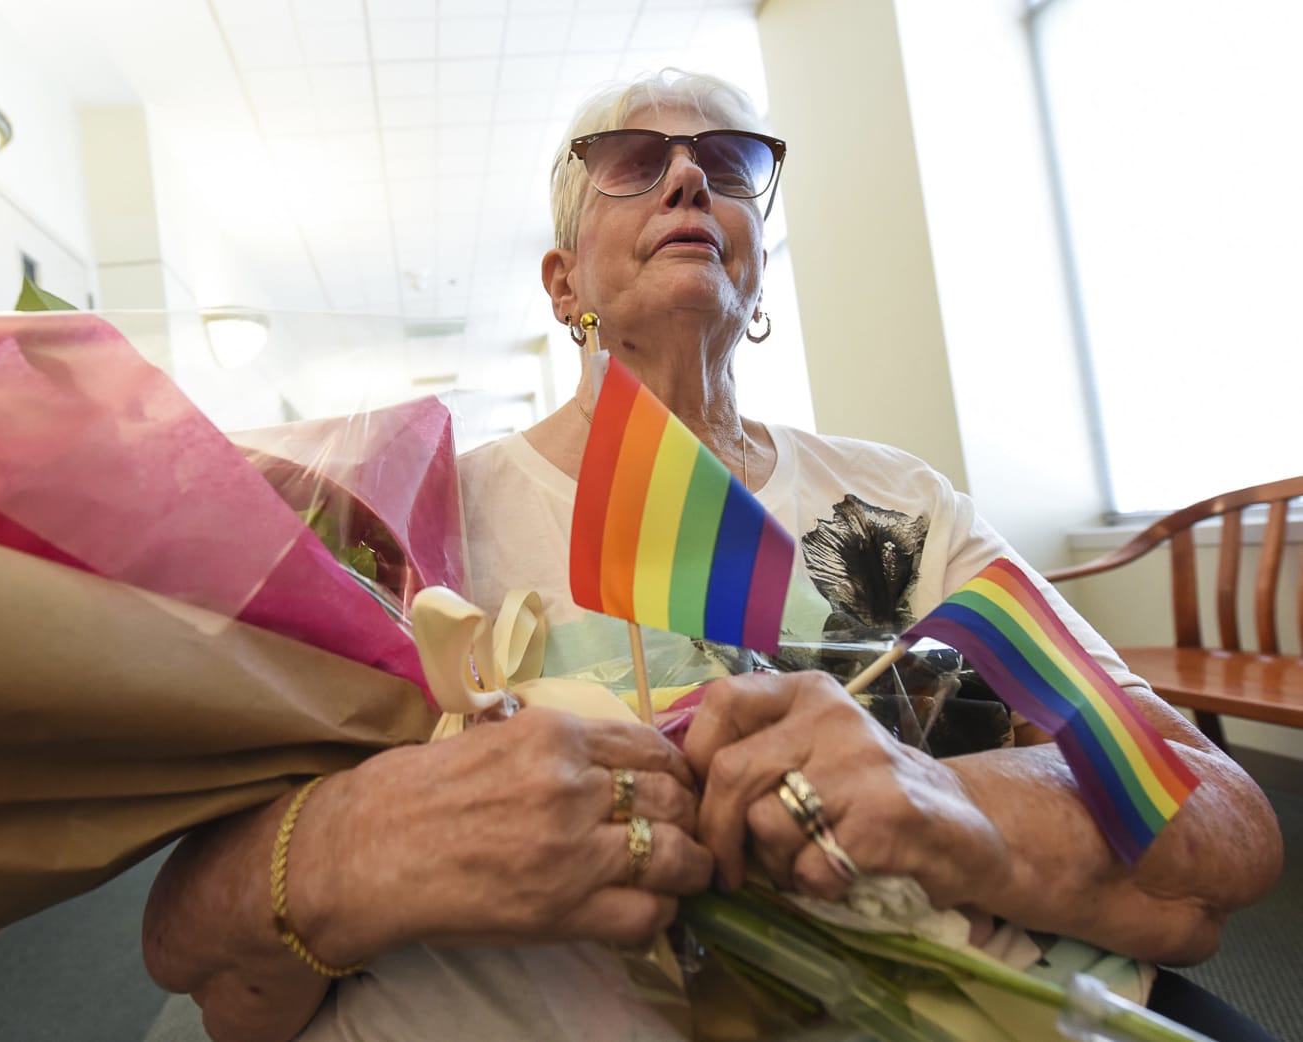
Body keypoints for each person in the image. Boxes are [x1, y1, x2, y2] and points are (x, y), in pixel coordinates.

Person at [141, 69, 1284, 1042]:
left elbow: (1221, 819)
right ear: (563, 284)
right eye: (633, 159)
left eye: (729, 161)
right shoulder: (407, 518)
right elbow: (198, 957)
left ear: (758, 262)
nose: (689, 177)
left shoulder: (899, 502)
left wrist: (942, 798)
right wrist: (362, 838)